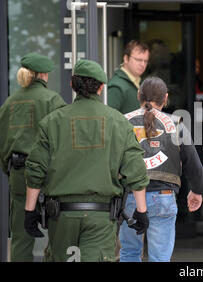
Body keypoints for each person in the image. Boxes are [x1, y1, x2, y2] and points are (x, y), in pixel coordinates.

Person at [23, 59, 150, 262]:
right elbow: (135, 170)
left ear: (72, 85)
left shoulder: (52, 122)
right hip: (101, 216)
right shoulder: (118, 122)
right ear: (101, 88)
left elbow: (36, 170)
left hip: (61, 216)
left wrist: (30, 211)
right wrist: (141, 211)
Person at [119, 76, 203, 262]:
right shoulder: (176, 125)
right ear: (166, 98)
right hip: (164, 197)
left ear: (138, 95)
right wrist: (197, 191)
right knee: (160, 258)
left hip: (131, 197)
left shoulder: (122, 122)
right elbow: (193, 163)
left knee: (129, 253)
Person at [0, 53, 66, 262]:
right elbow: (63, 141)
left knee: (21, 236)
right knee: (57, 232)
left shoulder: (9, 103)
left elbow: (2, 144)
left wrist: (10, 168)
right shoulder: (53, 100)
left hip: (19, 173)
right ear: (44, 75)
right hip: (49, 174)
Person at [108, 40, 150, 114]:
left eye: (145, 61)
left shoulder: (139, 83)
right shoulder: (116, 87)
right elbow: (108, 120)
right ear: (126, 59)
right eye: (138, 60)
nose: (142, 64)